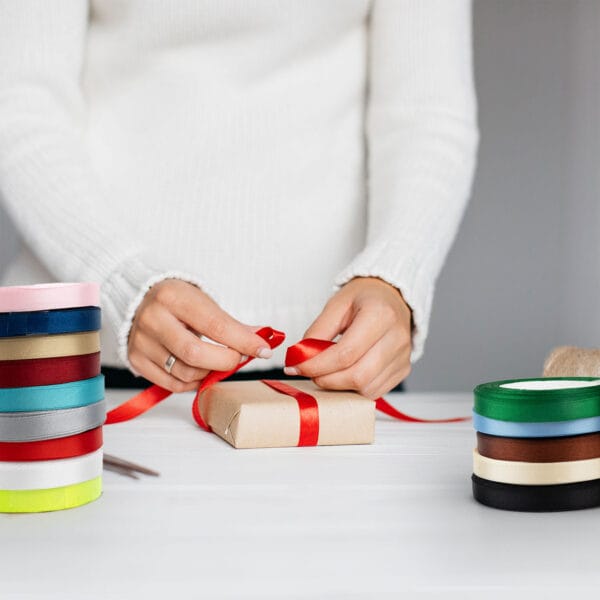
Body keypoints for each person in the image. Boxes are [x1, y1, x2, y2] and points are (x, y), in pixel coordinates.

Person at [0, 0, 478, 399]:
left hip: (337, 362)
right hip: (90, 354)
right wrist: (120, 281)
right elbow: (21, 107)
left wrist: (394, 277)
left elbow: (427, 114)